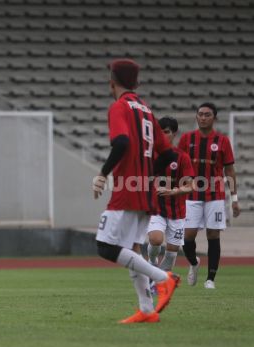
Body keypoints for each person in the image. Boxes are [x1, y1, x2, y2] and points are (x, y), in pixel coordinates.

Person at [93, 59, 180, 323]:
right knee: (131, 248)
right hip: (145, 190)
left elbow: (121, 142)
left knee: (106, 247)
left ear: (112, 82)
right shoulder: (146, 109)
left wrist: (103, 173)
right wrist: (148, 176)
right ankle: (146, 309)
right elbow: (167, 153)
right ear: (137, 83)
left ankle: (164, 278)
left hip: (127, 191)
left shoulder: (119, 107)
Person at [177, 102, 240, 289]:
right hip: (191, 196)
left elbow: (230, 170)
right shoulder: (187, 139)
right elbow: (178, 166)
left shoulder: (222, 141)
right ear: (196, 117)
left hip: (215, 196)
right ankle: (194, 263)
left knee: (213, 235)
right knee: (187, 238)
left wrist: (234, 199)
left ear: (215, 118)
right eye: (200, 114)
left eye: (207, 114)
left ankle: (210, 279)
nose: (203, 117)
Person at [146, 117, 195, 276]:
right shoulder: (150, 155)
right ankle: (152, 262)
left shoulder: (182, 157)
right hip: (156, 208)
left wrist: (173, 191)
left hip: (177, 211)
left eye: (166, 132)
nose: (162, 135)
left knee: (172, 251)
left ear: (174, 134)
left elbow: (191, 185)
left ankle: (159, 280)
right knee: (156, 239)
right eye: (159, 132)